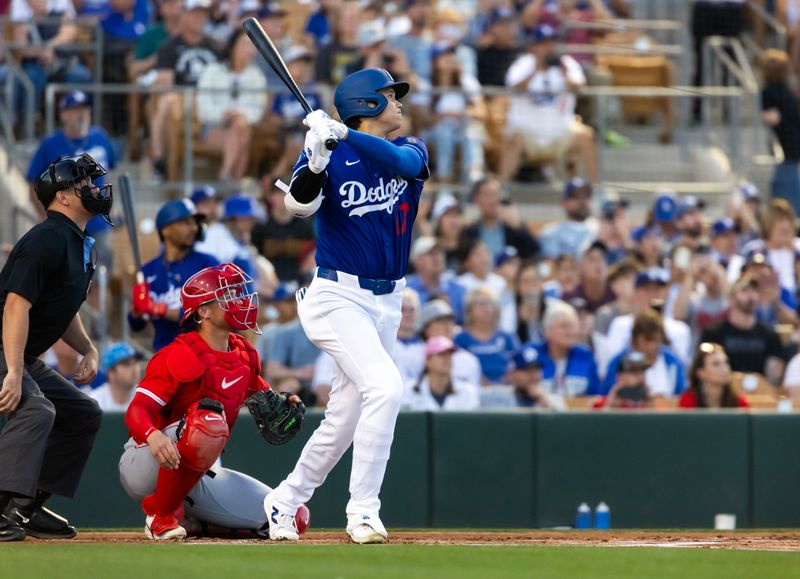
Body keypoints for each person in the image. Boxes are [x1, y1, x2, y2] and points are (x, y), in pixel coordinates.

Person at [263, 67, 430, 544]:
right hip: (336, 295)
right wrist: (315, 161)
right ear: (366, 104)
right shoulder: (327, 149)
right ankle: (362, 512)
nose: (397, 101)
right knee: (386, 387)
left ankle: (286, 499)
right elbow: (298, 207)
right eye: (388, 94)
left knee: (344, 419)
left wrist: (341, 136)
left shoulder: (411, 147)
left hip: (387, 299)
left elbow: (403, 167)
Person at [119, 263, 307, 540]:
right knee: (207, 421)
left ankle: (195, 523)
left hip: (198, 473)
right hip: (149, 461)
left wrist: (283, 403)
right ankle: (160, 515)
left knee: (290, 514)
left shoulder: (244, 353)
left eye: (237, 292)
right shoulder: (179, 353)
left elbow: (264, 399)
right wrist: (154, 436)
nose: (240, 300)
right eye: (228, 294)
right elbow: (136, 411)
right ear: (203, 311)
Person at [0, 154, 110, 541]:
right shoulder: (47, 237)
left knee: (82, 413)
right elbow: (16, 304)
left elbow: (63, 307)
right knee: (36, 409)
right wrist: (14, 371)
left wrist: (88, 348)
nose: (97, 190)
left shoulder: (76, 241)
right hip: (6, 349)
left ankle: (24, 508)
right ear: (63, 196)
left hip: (18, 353)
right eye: (87, 185)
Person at [26, 90, 117, 268]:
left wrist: (110, 206)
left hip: (97, 221)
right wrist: (46, 216)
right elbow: (33, 183)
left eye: (84, 109)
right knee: (64, 277)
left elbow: (109, 173)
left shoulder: (100, 137)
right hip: (64, 223)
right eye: (75, 110)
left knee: (99, 275)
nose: (81, 114)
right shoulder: (50, 144)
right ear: (63, 114)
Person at [129, 198, 218, 352]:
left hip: (202, 354)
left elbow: (205, 314)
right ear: (165, 230)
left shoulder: (208, 264)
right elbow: (136, 326)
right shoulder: (148, 271)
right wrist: (138, 312)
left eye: (193, 223)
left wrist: (157, 309)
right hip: (164, 355)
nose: (193, 228)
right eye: (185, 223)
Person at [196, 28, 267, 182]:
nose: (248, 50)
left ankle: (225, 176)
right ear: (232, 46)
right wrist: (223, 114)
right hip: (213, 128)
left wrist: (240, 114)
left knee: (239, 129)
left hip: (241, 127)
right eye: (243, 44)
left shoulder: (257, 76)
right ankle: (233, 184)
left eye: (251, 45)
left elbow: (257, 110)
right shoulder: (213, 71)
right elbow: (203, 107)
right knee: (241, 134)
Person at [700, 273, 786, 385]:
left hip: (760, 395)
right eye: (744, 290)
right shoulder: (714, 334)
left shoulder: (770, 335)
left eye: (754, 290)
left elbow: (774, 376)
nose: (751, 295)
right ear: (730, 299)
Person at [528, 300, 602, 400]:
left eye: (573, 326)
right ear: (547, 330)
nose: (570, 332)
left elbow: (596, 396)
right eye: (563, 326)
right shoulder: (531, 356)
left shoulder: (586, 356)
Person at [603, 311, 686, 398]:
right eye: (650, 340)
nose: (655, 345)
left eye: (657, 340)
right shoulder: (618, 362)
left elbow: (681, 395)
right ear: (638, 340)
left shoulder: (673, 362)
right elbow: (606, 395)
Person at [760, 49, 800, 215]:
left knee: (783, 200)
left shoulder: (768, 92)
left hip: (786, 152)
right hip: (794, 151)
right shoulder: (789, 93)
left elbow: (773, 117)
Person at [454, 286, 518, 385]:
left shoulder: (507, 338)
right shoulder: (461, 339)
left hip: (506, 388)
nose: (485, 308)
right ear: (470, 310)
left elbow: (519, 363)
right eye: (480, 304)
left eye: (489, 303)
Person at [402, 336, 480, 411]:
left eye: (449, 355)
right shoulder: (408, 390)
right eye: (441, 354)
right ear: (428, 360)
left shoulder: (467, 392)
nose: (446, 359)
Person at [538, 178, 599, 260]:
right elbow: (551, 267)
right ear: (563, 202)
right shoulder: (551, 233)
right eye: (575, 196)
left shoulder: (601, 229)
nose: (582, 200)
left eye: (586, 195)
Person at [679, 343, 749, 409]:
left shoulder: (739, 402)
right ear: (700, 372)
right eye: (716, 364)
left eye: (726, 363)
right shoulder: (688, 401)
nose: (725, 369)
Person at [90, 342, 142, 412]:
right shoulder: (95, 401)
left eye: (135, 362)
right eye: (126, 364)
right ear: (110, 372)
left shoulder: (146, 399)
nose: (134, 368)